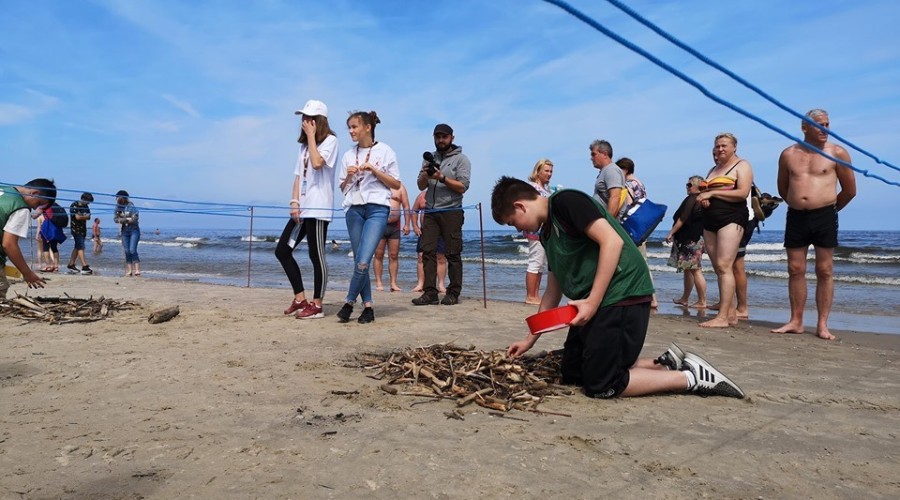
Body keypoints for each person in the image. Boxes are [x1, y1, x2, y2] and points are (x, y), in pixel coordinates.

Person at [490, 176, 743, 399]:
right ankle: (664, 365)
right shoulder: (547, 234)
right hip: (598, 303)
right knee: (573, 372)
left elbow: (611, 242)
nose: (518, 229)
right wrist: (529, 340)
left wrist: (592, 302)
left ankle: (691, 378)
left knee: (601, 384)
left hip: (623, 294)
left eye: (513, 222)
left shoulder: (566, 202)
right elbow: (552, 291)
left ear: (520, 206)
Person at [772, 109, 856, 340]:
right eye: (819, 124)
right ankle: (796, 320)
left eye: (827, 124)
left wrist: (829, 209)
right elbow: (783, 188)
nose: (825, 128)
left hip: (825, 216)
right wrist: (801, 204)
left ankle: (822, 325)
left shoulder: (838, 152)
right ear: (805, 127)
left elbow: (850, 191)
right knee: (795, 269)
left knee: (825, 270)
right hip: (797, 216)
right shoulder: (788, 154)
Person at [275, 99, 339, 320]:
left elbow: (317, 163)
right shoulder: (303, 146)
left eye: (308, 118)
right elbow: (297, 175)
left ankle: (317, 305)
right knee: (282, 250)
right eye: (303, 117)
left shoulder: (330, 141)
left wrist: (312, 137)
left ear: (318, 121)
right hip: (302, 208)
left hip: (319, 208)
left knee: (316, 255)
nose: (304, 121)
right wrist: (294, 201)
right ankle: (300, 297)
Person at [336, 110, 401, 324]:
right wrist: (350, 176)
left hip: (377, 209)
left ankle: (348, 302)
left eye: (354, 127)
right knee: (358, 259)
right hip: (354, 209)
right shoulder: (348, 155)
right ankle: (369, 307)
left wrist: (373, 169)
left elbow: (396, 184)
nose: (351, 131)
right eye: (349, 128)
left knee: (364, 261)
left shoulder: (385, 151)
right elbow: (343, 189)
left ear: (367, 127)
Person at [696, 132, 754, 328]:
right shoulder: (713, 169)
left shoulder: (742, 165)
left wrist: (712, 192)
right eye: (717, 146)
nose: (720, 149)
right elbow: (706, 191)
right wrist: (705, 196)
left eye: (724, 146)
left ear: (734, 147)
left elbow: (742, 192)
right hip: (709, 220)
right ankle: (730, 313)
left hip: (731, 217)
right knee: (718, 268)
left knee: (724, 265)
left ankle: (722, 317)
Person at [411, 123, 471, 306]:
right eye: (437, 137)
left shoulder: (462, 160)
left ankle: (453, 293)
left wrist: (442, 178)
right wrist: (425, 175)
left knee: (452, 253)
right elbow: (421, 186)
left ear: (452, 137)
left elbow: (463, 187)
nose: (440, 140)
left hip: (451, 211)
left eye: (444, 137)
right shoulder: (430, 159)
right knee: (427, 252)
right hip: (430, 211)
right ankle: (430, 292)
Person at [1, 179, 56, 298]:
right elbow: (8, 244)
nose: (35, 207)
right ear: (34, 193)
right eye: (38, 204)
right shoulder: (20, 208)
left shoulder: (4, 190)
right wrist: (27, 273)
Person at [617, 157, 658, 309]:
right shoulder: (640, 183)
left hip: (631, 228)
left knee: (635, 262)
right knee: (643, 262)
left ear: (624, 170)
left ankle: (649, 297)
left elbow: (626, 207)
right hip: (642, 228)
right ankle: (651, 297)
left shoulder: (627, 185)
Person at [665, 175, 707, 309]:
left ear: (697, 186)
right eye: (687, 185)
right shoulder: (701, 199)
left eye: (689, 185)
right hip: (693, 238)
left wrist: (671, 232)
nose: (687, 187)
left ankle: (702, 300)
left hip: (691, 239)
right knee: (688, 269)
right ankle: (685, 298)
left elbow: (683, 219)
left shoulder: (694, 198)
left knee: (695, 270)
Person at [524, 158, 554, 305]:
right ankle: (530, 295)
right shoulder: (532, 188)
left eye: (551, 171)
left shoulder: (546, 189)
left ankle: (535, 294)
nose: (549, 174)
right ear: (538, 171)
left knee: (540, 263)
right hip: (536, 230)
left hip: (545, 231)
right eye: (546, 171)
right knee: (535, 261)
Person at [373, 183, 411, 292]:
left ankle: (393, 283)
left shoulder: (400, 187)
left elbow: (406, 205)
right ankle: (379, 283)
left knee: (394, 255)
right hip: (379, 224)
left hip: (395, 226)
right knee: (378, 254)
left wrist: (407, 224)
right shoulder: (377, 184)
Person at [411, 190, 447, 294]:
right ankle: (420, 284)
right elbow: (414, 210)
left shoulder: (444, 194)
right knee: (421, 256)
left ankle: (441, 285)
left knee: (441, 257)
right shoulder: (422, 195)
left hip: (441, 230)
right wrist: (415, 225)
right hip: (424, 231)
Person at [589, 140, 626, 219]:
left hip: (606, 223)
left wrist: (608, 222)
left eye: (593, 154)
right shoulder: (606, 170)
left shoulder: (611, 170)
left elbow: (615, 197)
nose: (591, 158)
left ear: (605, 154)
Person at [113, 190, 141, 277]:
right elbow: (115, 219)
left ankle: (137, 270)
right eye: (117, 197)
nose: (117, 199)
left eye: (119, 197)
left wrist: (124, 219)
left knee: (132, 250)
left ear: (124, 198)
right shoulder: (117, 207)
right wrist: (125, 219)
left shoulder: (131, 206)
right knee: (127, 251)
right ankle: (129, 271)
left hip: (134, 230)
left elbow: (135, 218)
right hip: (124, 230)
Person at [66, 192, 94, 275]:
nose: (88, 203)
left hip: (83, 229)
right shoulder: (74, 205)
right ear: (84, 199)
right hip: (75, 229)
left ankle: (71, 264)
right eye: (88, 201)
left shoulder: (86, 206)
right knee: (81, 246)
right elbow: (77, 217)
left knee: (77, 247)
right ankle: (84, 266)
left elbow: (88, 217)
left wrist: (82, 216)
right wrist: (83, 216)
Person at [39, 203, 66, 272]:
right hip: (56, 228)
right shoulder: (57, 206)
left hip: (48, 227)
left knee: (46, 247)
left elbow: (36, 214)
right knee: (54, 247)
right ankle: (56, 266)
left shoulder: (45, 205)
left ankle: (48, 266)